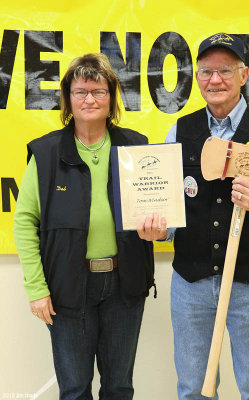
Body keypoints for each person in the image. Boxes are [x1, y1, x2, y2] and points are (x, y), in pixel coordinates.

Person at [137, 33, 249, 400]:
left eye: (225, 71)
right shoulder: (179, 132)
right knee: (193, 390)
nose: (214, 80)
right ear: (196, 77)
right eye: (205, 71)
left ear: (244, 75)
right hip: (191, 285)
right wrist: (158, 229)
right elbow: (169, 210)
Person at [13, 53, 154, 400]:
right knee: (75, 389)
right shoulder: (46, 154)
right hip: (67, 288)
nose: (89, 99)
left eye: (98, 91)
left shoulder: (136, 147)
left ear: (112, 98)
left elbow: (156, 212)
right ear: (67, 99)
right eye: (80, 92)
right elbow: (24, 222)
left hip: (126, 284)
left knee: (119, 387)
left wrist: (160, 230)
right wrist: (36, 288)